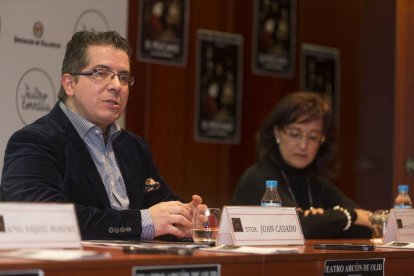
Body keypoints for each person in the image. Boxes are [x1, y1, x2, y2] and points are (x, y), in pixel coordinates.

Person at [0, 31, 203, 241]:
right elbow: (42, 219)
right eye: (100, 73)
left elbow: (161, 208)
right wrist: (143, 222)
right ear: (69, 84)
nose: (116, 86)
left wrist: (186, 220)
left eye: (124, 77)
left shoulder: (134, 147)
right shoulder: (34, 142)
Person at [231, 91, 372, 238]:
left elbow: (368, 224)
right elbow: (296, 228)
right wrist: (346, 216)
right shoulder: (257, 178)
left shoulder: (317, 182)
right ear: (277, 133)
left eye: (313, 137)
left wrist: (324, 220)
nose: (303, 145)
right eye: (294, 134)